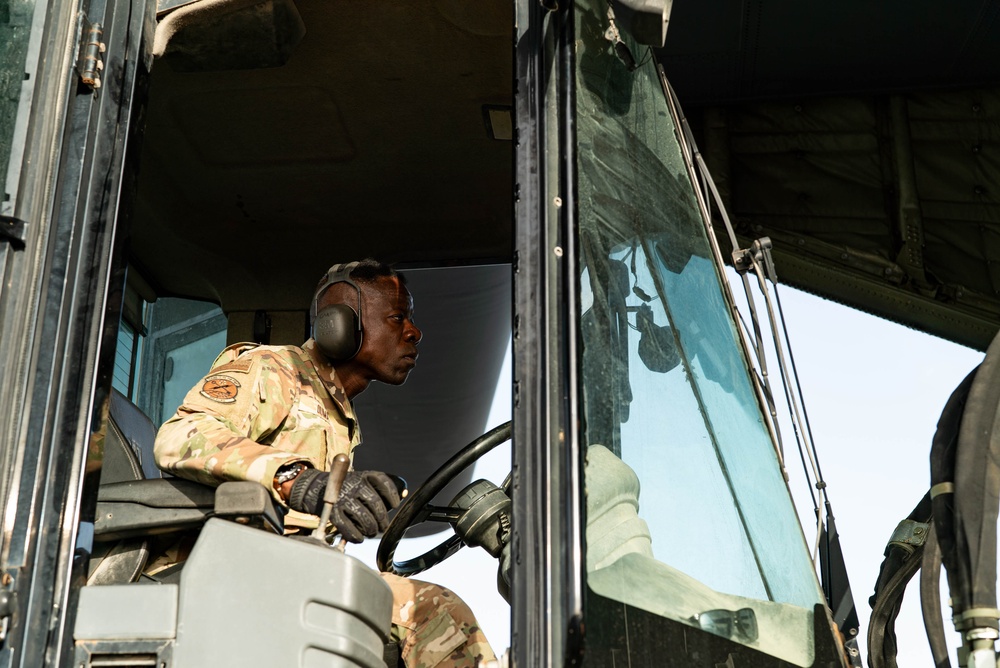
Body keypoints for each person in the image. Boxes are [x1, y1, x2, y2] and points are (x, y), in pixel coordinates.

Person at [154, 258, 496, 668]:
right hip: (229, 569)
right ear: (340, 325)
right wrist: (300, 481)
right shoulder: (273, 368)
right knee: (437, 612)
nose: (414, 331)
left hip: (290, 571)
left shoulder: (338, 414)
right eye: (397, 317)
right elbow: (181, 437)